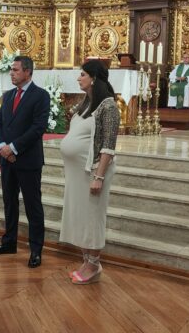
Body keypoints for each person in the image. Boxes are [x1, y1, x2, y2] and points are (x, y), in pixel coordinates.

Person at [59, 59, 120, 284]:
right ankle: (86, 261)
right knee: (80, 217)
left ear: (93, 78)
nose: (78, 78)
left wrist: (99, 177)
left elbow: (108, 146)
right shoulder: (87, 103)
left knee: (92, 218)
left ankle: (94, 265)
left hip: (94, 172)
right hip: (77, 173)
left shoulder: (109, 106)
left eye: (82, 74)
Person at [0, 56, 50, 268]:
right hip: (7, 159)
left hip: (27, 160)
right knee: (9, 203)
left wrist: (13, 148)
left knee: (33, 206)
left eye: (15, 70)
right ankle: (9, 242)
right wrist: (2, 146)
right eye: (11, 70)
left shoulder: (40, 96)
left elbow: (38, 127)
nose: (11, 73)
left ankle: (35, 250)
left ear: (27, 72)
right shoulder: (8, 95)